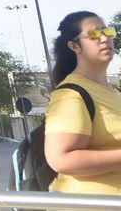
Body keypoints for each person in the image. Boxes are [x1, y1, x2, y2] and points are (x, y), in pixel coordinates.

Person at [45, 10, 121, 194]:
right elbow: (61, 159)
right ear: (75, 46)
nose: (104, 39)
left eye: (108, 32)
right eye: (94, 34)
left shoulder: (113, 92)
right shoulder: (71, 94)